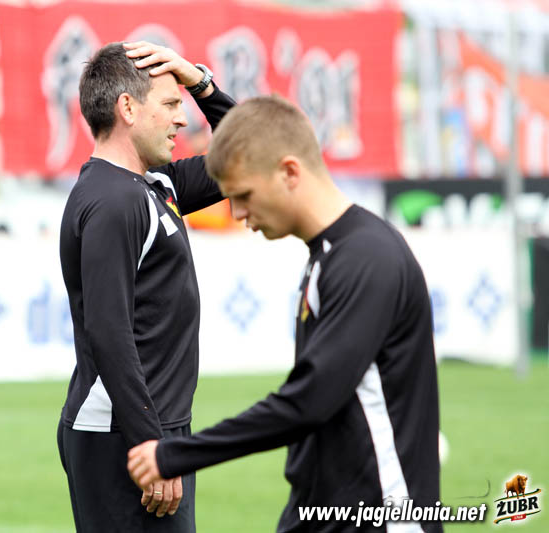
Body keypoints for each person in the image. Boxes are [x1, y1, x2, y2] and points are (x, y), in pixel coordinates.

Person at [127, 96, 442, 533]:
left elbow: (309, 401)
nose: (238, 213)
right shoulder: (330, 255)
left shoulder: (367, 259)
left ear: (290, 172)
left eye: (243, 195)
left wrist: (175, 454)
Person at [57, 41, 236, 532]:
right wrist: (149, 444)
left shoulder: (153, 185)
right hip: (125, 435)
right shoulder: (113, 201)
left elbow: (253, 151)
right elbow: (108, 332)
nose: (183, 118)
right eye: (171, 103)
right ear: (128, 108)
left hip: (151, 429)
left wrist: (199, 81)